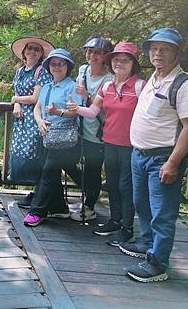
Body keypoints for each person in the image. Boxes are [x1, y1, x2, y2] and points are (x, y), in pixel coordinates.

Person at [122, 28, 187, 283]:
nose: (158, 53)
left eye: (165, 49)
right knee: (143, 205)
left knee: (163, 213)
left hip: (162, 159)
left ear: (176, 53)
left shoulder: (183, 84)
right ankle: (147, 242)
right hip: (139, 155)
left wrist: (173, 162)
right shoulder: (154, 77)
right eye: (154, 48)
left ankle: (157, 264)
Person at [69, 43, 144, 245]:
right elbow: (93, 112)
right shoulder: (107, 86)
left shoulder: (141, 87)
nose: (119, 63)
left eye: (125, 60)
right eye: (116, 59)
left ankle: (127, 228)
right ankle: (115, 221)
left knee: (125, 186)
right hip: (109, 142)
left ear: (133, 64)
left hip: (131, 146)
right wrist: (75, 108)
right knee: (113, 184)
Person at [23, 49, 83, 227]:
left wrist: (58, 113)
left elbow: (76, 112)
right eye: (53, 63)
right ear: (49, 66)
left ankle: (37, 211)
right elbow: (37, 107)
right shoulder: (47, 86)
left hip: (65, 139)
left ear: (68, 66)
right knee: (49, 170)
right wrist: (40, 121)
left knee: (48, 171)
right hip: (47, 136)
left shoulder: (72, 87)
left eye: (61, 63)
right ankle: (59, 207)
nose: (57, 67)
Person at [70, 36, 113, 221]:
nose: (92, 55)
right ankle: (89, 191)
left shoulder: (109, 78)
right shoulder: (83, 70)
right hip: (79, 128)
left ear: (105, 56)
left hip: (98, 131)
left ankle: (88, 207)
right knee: (66, 159)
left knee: (93, 169)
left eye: (97, 52)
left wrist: (86, 96)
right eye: (89, 51)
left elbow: (99, 108)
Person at [9, 36, 54, 208]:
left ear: (41, 54)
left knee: (36, 153)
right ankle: (35, 193)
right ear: (24, 51)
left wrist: (15, 99)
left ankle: (39, 195)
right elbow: (19, 93)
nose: (33, 52)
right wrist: (16, 104)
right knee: (21, 153)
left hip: (35, 118)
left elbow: (36, 98)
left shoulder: (42, 71)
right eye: (30, 48)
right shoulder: (20, 71)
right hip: (21, 120)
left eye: (37, 49)